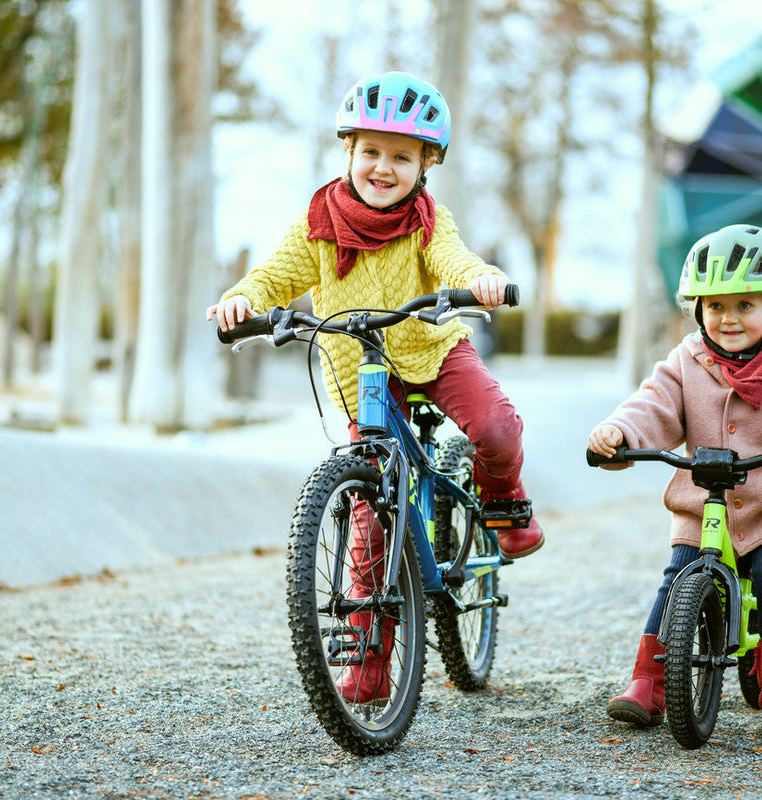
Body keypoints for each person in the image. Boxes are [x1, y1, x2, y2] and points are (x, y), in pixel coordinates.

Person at [207, 71, 545, 704]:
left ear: (425, 165)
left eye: (401, 157)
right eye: (370, 152)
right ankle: (365, 661)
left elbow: (455, 263)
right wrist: (241, 301)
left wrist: (484, 280)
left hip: (433, 350)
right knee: (369, 512)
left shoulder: (427, 221)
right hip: (361, 367)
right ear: (348, 152)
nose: (382, 168)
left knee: (496, 427)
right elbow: (274, 276)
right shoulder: (319, 222)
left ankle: (501, 500)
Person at [587, 224, 762, 735]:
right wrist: (619, 430)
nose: (728, 319)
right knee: (676, 580)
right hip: (701, 503)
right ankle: (650, 681)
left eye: (744, 306)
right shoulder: (687, 359)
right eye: (715, 307)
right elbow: (654, 404)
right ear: (698, 310)